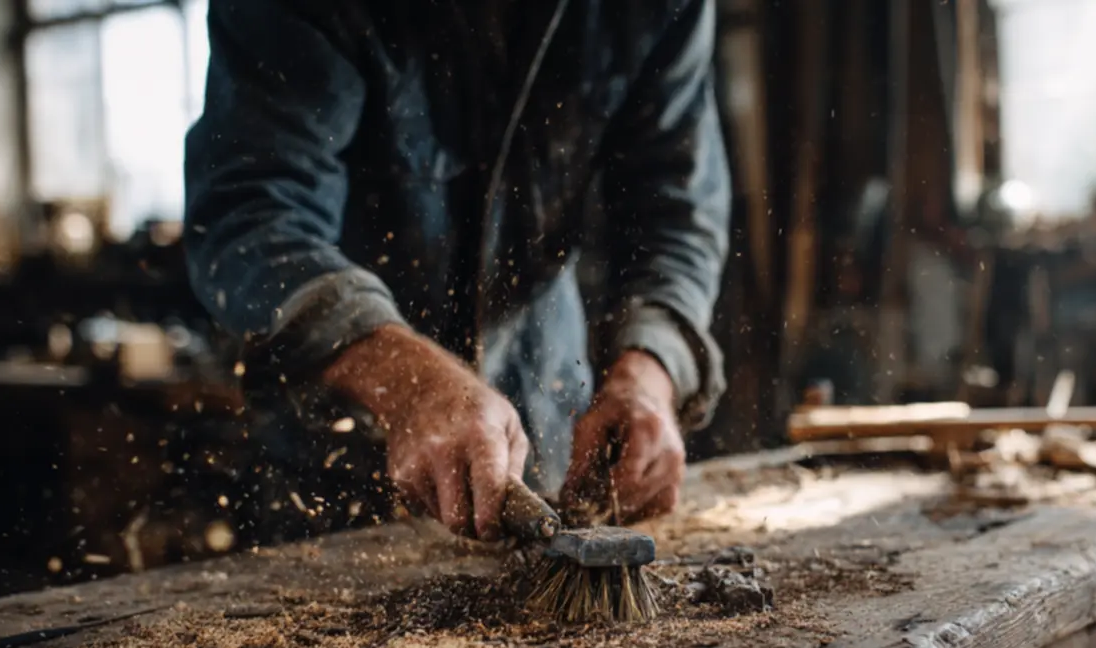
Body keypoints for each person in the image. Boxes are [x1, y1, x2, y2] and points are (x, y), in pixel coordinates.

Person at [184, 0, 730, 541]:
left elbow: (675, 216)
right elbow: (249, 214)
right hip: (332, 462)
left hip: (544, 414)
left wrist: (649, 373)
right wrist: (405, 381)